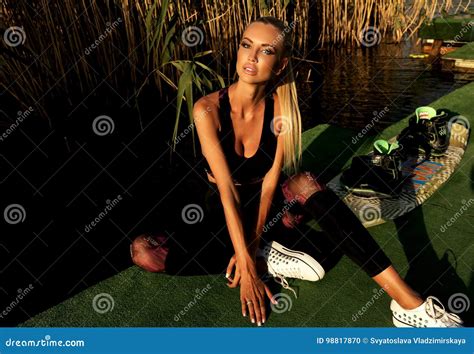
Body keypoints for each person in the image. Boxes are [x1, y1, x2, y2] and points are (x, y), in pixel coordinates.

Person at [131, 16, 463, 328]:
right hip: (219, 208)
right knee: (145, 252)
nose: (252, 56)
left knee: (305, 183)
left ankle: (408, 305)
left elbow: (271, 183)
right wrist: (247, 268)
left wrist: (253, 242)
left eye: (267, 50)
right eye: (246, 45)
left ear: (281, 64)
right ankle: (261, 257)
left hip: (270, 205)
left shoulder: (282, 109)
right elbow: (228, 192)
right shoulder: (208, 109)